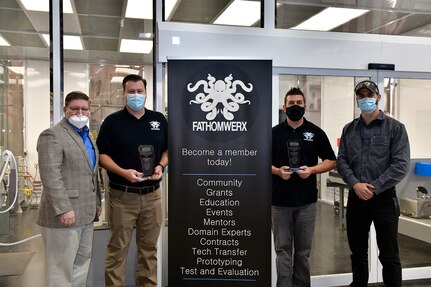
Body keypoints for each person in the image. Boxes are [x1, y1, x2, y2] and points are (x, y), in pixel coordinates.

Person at [97, 74, 168, 287]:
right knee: (117, 251)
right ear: (123, 93)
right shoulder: (112, 122)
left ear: (146, 93)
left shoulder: (159, 120)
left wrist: (161, 166)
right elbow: (102, 156)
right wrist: (122, 171)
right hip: (122, 196)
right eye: (131, 91)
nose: (136, 95)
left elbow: (167, 149)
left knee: (149, 251)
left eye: (140, 91)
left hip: (153, 196)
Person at [337, 80, 410, 287]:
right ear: (357, 100)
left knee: (389, 255)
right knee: (357, 253)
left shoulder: (395, 128)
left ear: (378, 97)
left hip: (384, 198)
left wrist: (374, 187)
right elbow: (341, 160)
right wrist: (355, 184)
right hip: (356, 197)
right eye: (361, 95)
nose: (365, 98)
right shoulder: (349, 129)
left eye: (370, 94)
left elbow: (400, 165)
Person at [272, 87, 336, 287]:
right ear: (284, 106)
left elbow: (331, 161)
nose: (295, 106)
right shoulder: (273, 133)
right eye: (291, 103)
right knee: (282, 250)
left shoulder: (316, 133)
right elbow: (259, 161)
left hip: (306, 202)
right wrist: (277, 172)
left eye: (299, 103)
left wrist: (312, 170)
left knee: (303, 252)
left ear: (305, 106)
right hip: (279, 201)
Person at [36, 91, 101, 287]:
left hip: (86, 214)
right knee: (60, 270)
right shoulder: (52, 135)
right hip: (63, 216)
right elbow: (50, 176)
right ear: (65, 110)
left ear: (89, 111)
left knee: (81, 265)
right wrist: (64, 208)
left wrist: (97, 202)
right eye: (74, 109)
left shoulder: (87, 136)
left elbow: (91, 172)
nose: (79, 113)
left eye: (84, 109)